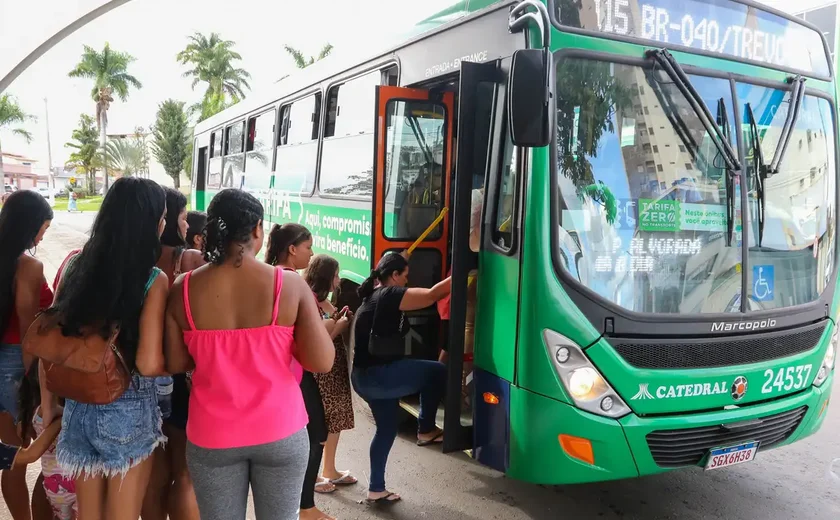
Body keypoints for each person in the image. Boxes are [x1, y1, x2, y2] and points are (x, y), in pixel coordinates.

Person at [163, 189, 335, 520]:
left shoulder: (182, 288)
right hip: (281, 430)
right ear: (257, 229)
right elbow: (322, 361)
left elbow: (175, 363)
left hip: (212, 435)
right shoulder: (289, 285)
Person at [40, 177, 170, 520]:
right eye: (163, 216)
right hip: (127, 409)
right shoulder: (152, 279)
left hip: (76, 407)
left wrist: (49, 405)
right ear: (149, 223)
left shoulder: (73, 265)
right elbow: (148, 362)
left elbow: (51, 344)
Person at [353, 252, 451, 504]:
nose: (407, 282)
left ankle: (376, 489)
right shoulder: (389, 293)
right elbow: (431, 295)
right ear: (394, 276)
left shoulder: (371, 297)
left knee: (386, 429)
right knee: (437, 371)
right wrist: (464, 272)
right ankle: (426, 429)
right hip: (379, 376)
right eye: (405, 276)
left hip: (364, 378)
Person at [264, 224, 337, 520]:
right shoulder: (293, 281)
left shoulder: (267, 275)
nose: (311, 253)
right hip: (295, 370)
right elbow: (312, 336)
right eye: (308, 247)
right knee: (316, 434)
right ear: (292, 249)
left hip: (278, 370)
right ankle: (306, 506)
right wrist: (337, 326)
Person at [143, 188, 204, 520]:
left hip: (141, 376)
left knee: (153, 472)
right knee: (184, 472)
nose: (184, 224)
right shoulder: (189, 259)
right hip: (179, 373)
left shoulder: (134, 259)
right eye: (181, 217)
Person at [0, 190, 54, 520]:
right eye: (43, 228)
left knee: (8, 456)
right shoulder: (28, 266)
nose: (43, 236)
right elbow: (28, 333)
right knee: (18, 458)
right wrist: (35, 387)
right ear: (29, 226)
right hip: (15, 367)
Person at [304, 256, 357, 490]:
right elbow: (316, 341)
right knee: (319, 423)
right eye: (336, 275)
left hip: (334, 366)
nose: (339, 280)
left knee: (335, 419)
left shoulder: (324, 300)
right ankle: (312, 476)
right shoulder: (309, 301)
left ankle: (329, 468)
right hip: (322, 369)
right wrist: (340, 327)